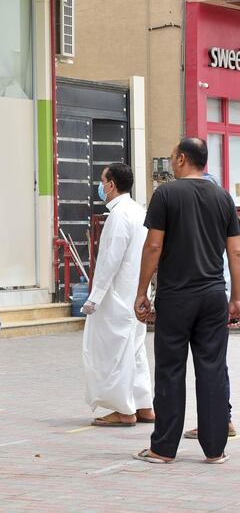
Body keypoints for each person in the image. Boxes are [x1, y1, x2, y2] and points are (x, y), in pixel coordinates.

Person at [133, 137, 240, 464]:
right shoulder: (223, 197)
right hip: (212, 295)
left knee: (170, 369)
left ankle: (163, 449)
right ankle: (215, 449)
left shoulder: (166, 194)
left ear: (181, 159)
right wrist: (236, 296)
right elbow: (235, 250)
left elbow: (153, 247)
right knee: (212, 369)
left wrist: (141, 292)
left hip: (176, 296)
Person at [81, 163, 154, 427]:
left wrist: (94, 298)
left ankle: (124, 410)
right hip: (136, 293)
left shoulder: (120, 215)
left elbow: (109, 261)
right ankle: (144, 405)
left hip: (118, 297)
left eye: (102, 181)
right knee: (134, 350)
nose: (101, 187)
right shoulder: (139, 211)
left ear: (111, 185)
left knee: (114, 352)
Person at [183, 172, 236, 439]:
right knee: (215, 363)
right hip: (218, 298)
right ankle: (220, 419)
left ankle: (221, 419)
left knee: (213, 364)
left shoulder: (214, 229)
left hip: (216, 299)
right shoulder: (218, 225)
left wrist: (232, 300)